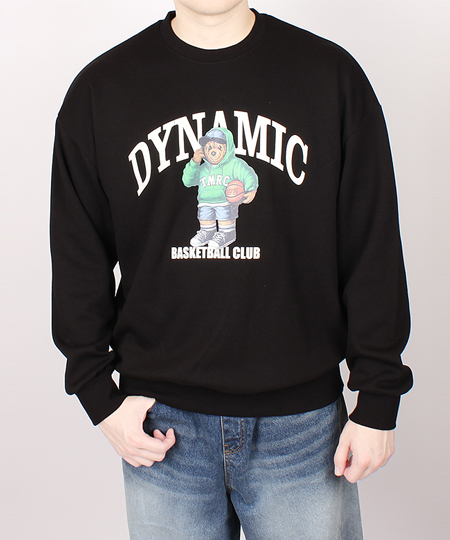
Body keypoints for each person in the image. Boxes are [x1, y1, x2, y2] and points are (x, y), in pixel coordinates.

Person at [50, 1, 413, 538]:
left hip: (303, 427)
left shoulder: (330, 76)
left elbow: (371, 242)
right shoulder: (101, 90)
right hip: (162, 424)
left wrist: (378, 396)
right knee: (209, 223)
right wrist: (97, 395)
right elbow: (78, 254)